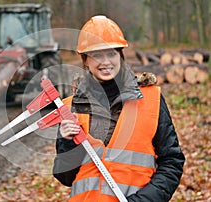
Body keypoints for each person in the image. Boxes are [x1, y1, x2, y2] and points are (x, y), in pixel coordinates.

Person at [53, 15, 185, 202]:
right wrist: (67, 143)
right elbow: (64, 177)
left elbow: (172, 162)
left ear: (120, 55)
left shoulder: (151, 99)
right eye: (97, 55)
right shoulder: (70, 108)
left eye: (111, 53)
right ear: (85, 61)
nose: (106, 61)